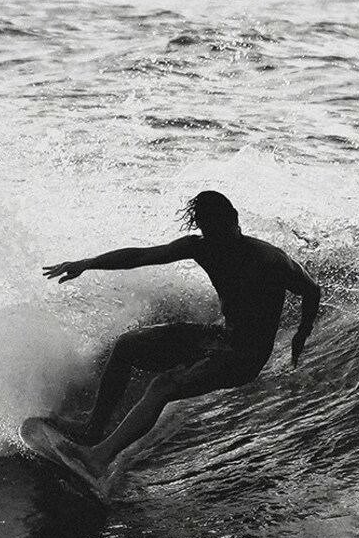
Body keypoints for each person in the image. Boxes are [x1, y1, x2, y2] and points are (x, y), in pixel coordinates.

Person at [41, 190, 321, 480]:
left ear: (234, 221)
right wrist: (87, 263)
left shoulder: (269, 260)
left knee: (163, 386)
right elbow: (141, 256)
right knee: (126, 345)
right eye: (208, 232)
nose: (217, 240)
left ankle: (99, 459)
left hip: (246, 356)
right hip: (221, 338)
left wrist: (303, 332)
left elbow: (311, 290)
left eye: (221, 231)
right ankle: (92, 430)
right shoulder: (202, 246)